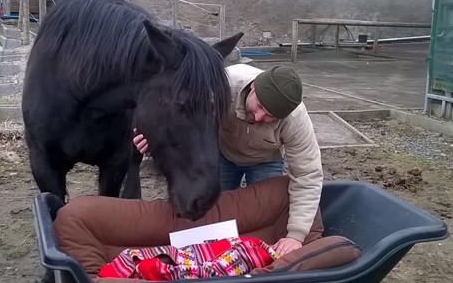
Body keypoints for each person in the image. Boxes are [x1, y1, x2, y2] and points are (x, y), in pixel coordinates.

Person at [134, 63, 323, 257]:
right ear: (253, 87)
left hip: (264, 160)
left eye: (270, 117)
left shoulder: (295, 120)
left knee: (265, 215)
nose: (258, 117)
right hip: (222, 155)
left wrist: (296, 236)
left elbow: (307, 175)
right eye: (259, 106)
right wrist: (153, 141)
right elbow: (176, 116)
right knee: (214, 213)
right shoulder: (220, 86)